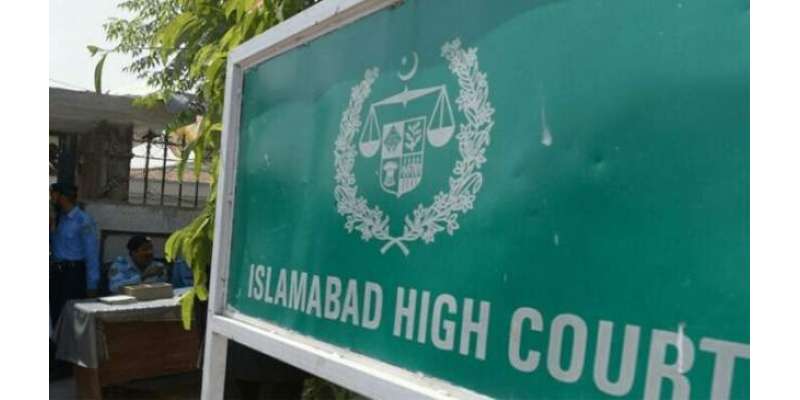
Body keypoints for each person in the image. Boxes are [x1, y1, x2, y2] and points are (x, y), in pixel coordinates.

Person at [50, 183, 100, 325]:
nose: (51, 199)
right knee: (55, 314)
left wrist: (92, 285)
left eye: (53, 195)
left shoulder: (83, 221)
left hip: (73, 274)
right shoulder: (58, 219)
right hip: (56, 273)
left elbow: (91, 254)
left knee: (68, 316)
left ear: (63, 197)